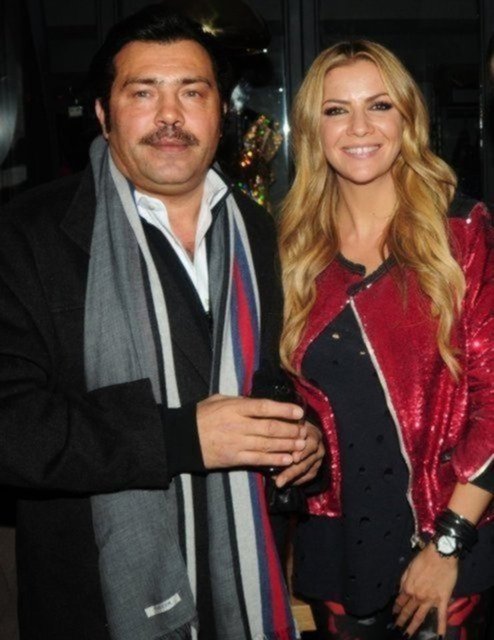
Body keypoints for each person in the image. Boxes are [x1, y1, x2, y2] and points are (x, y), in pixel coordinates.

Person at [0, 5, 324, 639]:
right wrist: (179, 438)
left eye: (193, 93)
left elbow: (276, 376)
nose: (170, 115)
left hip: (243, 582)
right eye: (143, 92)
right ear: (103, 114)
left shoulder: (257, 230)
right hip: (97, 603)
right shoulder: (27, 234)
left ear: (220, 115)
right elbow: (11, 426)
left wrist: (304, 436)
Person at [279, 40, 494, 640]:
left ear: (407, 118)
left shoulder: (462, 236)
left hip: (446, 546)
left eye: (379, 105)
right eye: (336, 110)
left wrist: (448, 543)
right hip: (336, 551)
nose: (359, 127)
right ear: (313, 129)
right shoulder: (292, 252)